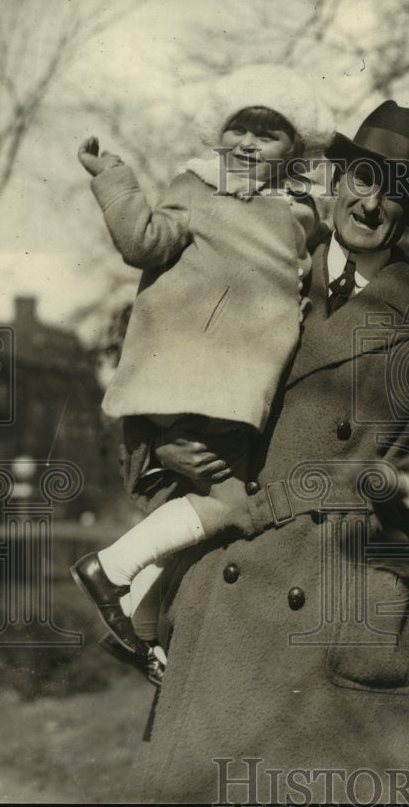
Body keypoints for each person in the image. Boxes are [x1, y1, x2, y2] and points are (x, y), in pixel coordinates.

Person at [123, 101, 409, 803]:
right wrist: (163, 449)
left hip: (330, 618)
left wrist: (383, 607)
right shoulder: (253, 262)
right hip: (222, 592)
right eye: (362, 179)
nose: (371, 204)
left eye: (395, 190)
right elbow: (156, 373)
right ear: (336, 179)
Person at [69, 65, 334, 659]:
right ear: (219, 135)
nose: (248, 143)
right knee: (229, 504)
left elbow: (305, 280)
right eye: (239, 128)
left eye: (267, 133)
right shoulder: (199, 188)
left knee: (197, 511)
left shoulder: (300, 211)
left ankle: (139, 626)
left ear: (294, 150)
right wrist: (114, 178)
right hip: (196, 379)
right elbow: (143, 241)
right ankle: (110, 571)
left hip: (238, 390)